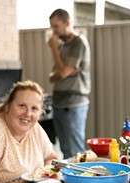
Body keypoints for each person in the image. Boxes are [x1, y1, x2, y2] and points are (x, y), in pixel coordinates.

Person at [48, 8, 91, 159]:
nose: (53, 31)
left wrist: (54, 49)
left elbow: (63, 72)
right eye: (52, 27)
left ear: (67, 23)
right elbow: (53, 76)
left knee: (75, 151)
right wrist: (63, 71)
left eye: (56, 26)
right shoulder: (62, 45)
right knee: (65, 150)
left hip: (73, 105)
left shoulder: (78, 43)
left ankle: (81, 182)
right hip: (59, 103)